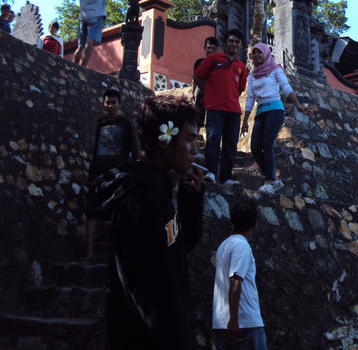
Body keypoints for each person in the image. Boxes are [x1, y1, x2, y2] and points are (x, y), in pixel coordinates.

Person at [92, 94, 205, 350]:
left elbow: (179, 246)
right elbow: (151, 291)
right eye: (190, 139)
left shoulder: (158, 190)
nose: (196, 150)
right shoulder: (140, 199)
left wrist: (191, 199)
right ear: (164, 140)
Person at [240, 43, 313, 193]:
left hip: (275, 110)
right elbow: (250, 98)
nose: (256, 55)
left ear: (266, 53)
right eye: (254, 53)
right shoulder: (252, 75)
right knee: (255, 148)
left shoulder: (275, 69)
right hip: (260, 112)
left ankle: (269, 180)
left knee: (267, 145)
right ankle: (274, 179)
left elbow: (286, 87)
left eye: (259, 52)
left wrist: (298, 105)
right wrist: (245, 120)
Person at [85, 89, 139, 261]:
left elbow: (133, 149)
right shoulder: (100, 124)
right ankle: (90, 250)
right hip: (98, 172)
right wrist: (91, 171)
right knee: (92, 210)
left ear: (120, 104)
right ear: (103, 104)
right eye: (108, 102)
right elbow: (95, 150)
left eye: (114, 102)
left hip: (118, 172)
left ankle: (117, 251)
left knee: (118, 210)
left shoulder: (126, 124)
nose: (111, 105)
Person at [194, 29, 247, 186]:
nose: (233, 44)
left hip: (234, 110)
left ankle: (226, 177)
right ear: (225, 43)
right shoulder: (213, 58)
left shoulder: (241, 67)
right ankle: (210, 171)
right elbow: (198, 75)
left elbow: (240, 89)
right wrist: (208, 91)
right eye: (231, 41)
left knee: (230, 144)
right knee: (213, 140)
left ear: (241, 46)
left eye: (237, 42)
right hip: (214, 107)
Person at [213, 199, 267, 350]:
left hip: (222, 322)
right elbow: (236, 281)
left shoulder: (224, 245)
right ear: (254, 224)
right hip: (244, 323)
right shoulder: (242, 245)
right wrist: (234, 319)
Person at [73, 0, 116, 68]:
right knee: (90, 42)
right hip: (96, 14)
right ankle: (83, 67)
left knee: (81, 45)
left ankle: (73, 66)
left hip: (83, 15)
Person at [192, 36, 219, 131]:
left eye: (213, 48)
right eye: (208, 48)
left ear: (216, 49)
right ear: (205, 48)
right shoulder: (199, 62)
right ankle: (194, 141)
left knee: (212, 121)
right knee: (198, 119)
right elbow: (195, 78)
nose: (210, 50)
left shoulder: (219, 64)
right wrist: (192, 93)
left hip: (214, 96)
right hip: (201, 94)